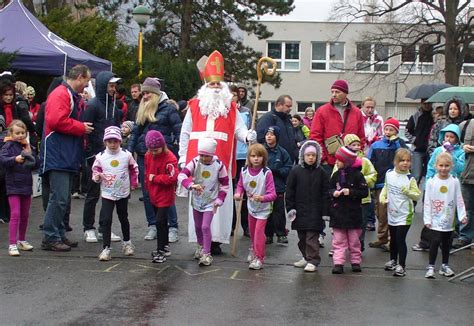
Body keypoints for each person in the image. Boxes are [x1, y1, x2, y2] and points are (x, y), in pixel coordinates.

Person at [178, 50, 256, 254]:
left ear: (223, 87)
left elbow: (239, 129)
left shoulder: (231, 107)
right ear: (205, 86)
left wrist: (248, 135)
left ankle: (216, 241)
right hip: (196, 163)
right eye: (211, 84)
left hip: (221, 161)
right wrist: (181, 158)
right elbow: (185, 133)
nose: (214, 87)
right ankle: (200, 241)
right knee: (198, 199)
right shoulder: (194, 106)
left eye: (217, 84)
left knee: (219, 201)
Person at [40, 64, 94, 251]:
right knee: (59, 197)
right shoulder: (61, 94)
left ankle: (59, 234)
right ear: (79, 77)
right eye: (86, 81)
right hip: (59, 154)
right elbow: (56, 121)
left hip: (65, 154)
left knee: (63, 198)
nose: (86, 86)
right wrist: (81, 127)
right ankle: (50, 236)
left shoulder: (68, 94)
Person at [128, 77, 182, 241]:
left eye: (147, 93)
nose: (144, 96)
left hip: (163, 157)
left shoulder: (169, 109)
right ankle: (153, 225)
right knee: (147, 192)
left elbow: (179, 130)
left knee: (165, 192)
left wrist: (179, 154)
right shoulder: (142, 108)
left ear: (155, 93)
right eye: (143, 93)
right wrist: (129, 152)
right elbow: (136, 131)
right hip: (145, 156)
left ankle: (172, 227)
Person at [82, 72, 124, 243]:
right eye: (110, 86)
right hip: (95, 155)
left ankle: (103, 228)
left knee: (109, 193)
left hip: (111, 155)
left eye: (114, 86)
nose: (113, 89)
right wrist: (90, 154)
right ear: (102, 86)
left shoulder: (115, 105)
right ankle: (88, 228)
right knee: (92, 193)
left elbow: (115, 128)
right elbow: (86, 131)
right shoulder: (92, 106)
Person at [412, 124, 465, 252]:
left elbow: (460, 168)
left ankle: (446, 243)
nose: (448, 139)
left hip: (450, 187)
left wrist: (451, 154)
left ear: (457, 139)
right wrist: (429, 180)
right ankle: (425, 242)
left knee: (449, 213)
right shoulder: (437, 150)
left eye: (452, 137)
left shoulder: (460, 152)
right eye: (446, 136)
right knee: (433, 210)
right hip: (436, 185)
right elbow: (431, 166)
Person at [179, 138, 229, 266]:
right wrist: (191, 185)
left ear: (212, 154)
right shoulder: (195, 162)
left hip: (211, 201)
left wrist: (220, 199)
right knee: (197, 226)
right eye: (201, 155)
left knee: (205, 226)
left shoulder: (219, 165)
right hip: (197, 200)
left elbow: (224, 185)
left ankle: (207, 253)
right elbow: (182, 176)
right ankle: (200, 246)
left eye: (206, 156)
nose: (203, 158)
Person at [91, 126, 138, 261]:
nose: (112, 144)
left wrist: (134, 182)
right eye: (109, 141)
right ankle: (106, 248)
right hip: (107, 193)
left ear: (120, 141)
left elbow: (134, 168)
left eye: (115, 141)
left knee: (123, 217)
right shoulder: (100, 157)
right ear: (105, 142)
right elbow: (95, 171)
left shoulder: (126, 154)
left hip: (123, 191)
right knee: (106, 220)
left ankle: (127, 243)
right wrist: (97, 177)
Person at [286, 140, 329, 272]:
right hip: (300, 211)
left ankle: (313, 259)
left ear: (317, 157)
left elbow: (325, 193)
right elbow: (290, 191)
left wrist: (325, 211)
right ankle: (306, 256)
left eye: (313, 155)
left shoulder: (321, 172)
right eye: (308, 155)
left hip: (315, 212)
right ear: (302, 156)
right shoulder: (296, 171)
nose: (310, 158)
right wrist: (290, 208)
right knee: (302, 238)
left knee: (312, 238)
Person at [424, 152, 468, 279]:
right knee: (435, 241)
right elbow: (427, 201)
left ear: (451, 166)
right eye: (441, 165)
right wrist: (427, 218)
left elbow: (459, 199)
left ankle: (445, 265)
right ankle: (431, 266)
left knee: (446, 242)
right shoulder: (431, 182)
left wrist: (462, 216)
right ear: (436, 165)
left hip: (448, 219)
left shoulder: (454, 182)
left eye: (447, 166)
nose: (444, 168)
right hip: (435, 219)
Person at [368, 118, 408, 251]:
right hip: (379, 183)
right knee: (380, 212)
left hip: (394, 183)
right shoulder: (376, 145)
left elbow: (404, 155)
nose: (388, 132)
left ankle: (392, 240)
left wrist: (396, 142)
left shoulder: (399, 145)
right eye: (386, 129)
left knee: (392, 211)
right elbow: (369, 162)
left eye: (391, 130)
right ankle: (382, 237)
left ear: (396, 132)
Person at [234, 143, 277, 270]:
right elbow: (241, 185)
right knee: (252, 232)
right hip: (251, 206)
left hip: (264, 208)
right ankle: (253, 248)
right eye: (253, 156)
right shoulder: (244, 171)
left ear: (264, 158)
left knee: (259, 232)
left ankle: (259, 258)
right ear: (249, 157)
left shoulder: (266, 173)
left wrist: (263, 198)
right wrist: (238, 193)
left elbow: (273, 194)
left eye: (259, 156)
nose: (256, 159)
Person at [310, 80, 365, 175]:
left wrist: (358, 156)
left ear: (345, 93)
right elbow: (315, 136)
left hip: (351, 164)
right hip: (329, 164)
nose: (334, 94)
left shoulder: (356, 112)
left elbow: (361, 137)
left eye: (337, 92)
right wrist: (324, 158)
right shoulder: (322, 111)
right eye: (332, 92)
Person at [381, 148, 421, 277]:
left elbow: (417, 195)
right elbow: (386, 187)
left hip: (405, 214)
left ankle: (402, 266)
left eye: (408, 161)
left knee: (400, 239)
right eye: (402, 160)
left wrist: (408, 192)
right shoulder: (389, 174)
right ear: (395, 162)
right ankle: (393, 260)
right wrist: (382, 197)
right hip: (392, 212)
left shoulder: (410, 179)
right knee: (393, 239)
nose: (405, 163)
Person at [329, 146, 368, 274]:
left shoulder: (358, 175)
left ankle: (355, 261)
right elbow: (329, 189)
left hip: (353, 213)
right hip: (338, 213)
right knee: (338, 240)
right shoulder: (335, 175)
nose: (336, 162)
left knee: (354, 240)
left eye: (339, 160)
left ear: (346, 161)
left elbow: (364, 192)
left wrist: (350, 192)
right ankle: (338, 262)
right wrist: (333, 192)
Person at [0, 120, 37, 256]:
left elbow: (36, 163)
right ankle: (12, 243)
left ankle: (22, 239)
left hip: (26, 184)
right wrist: (14, 159)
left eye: (23, 133)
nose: (20, 135)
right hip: (13, 185)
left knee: (25, 214)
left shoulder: (27, 146)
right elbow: (3, 160)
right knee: (15, 214)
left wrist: (31, 155)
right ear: (11, 133)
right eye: (17, 133)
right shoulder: (7, 146)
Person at [336, 134, 377, 251]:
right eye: (353, 145)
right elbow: (335, 177)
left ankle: (359, 245)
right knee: (344, 223)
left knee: (361, 224)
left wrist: (361, 181)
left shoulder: (365, 161)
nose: (356, 147)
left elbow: (373, 176)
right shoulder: (340, 161)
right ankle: (342, 245)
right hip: (345, 199)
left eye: (358, 144)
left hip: (363, 200)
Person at [144, 130, 179, 263]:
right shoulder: (148, 156)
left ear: (162, 146)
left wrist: (156, 178)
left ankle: (160, 250)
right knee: (162, 222)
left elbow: (172, 178)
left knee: (159, 222)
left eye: (156, 150)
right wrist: (148, 185)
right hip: (154, 193)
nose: (153, 152)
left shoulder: (170, 158)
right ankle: (164, 246)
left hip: (165, 195)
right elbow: (147, 172)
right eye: (151, 150)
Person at [263, 126, 292, 244]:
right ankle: (268, 234)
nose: (269, 136)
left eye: (272, 134)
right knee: (266, 212)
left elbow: (288, 167)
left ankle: (281, 233)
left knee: (278, 211)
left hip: (278, 186)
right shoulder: (261, 150)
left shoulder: (282, 152)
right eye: (267, 134)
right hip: (264, 188)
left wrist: (278, 171)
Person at [230, 85, 251, 237]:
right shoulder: (223, 112)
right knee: (229, 192)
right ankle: (230, 224)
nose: (232, 97)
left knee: (243, 191)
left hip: (242, 155)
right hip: (228, 156)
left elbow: (246, 130)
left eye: (235, 95)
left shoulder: (245, 112)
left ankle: (246, 225)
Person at [256, 94, 297, 162]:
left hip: (288, 161)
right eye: (287, 106)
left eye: (290, 106)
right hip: (274, 161)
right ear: (279, 104)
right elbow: (261, 138)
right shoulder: (267, 118)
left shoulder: (288, 120)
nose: (290, 109)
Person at [454, 116, 474, 248]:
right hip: (466, 174)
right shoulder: (465, 125)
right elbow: (452, 144)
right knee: (465, 208)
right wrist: (463, 146)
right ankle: (465, 236)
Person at [405, 98, 434, 183]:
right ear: (421, 103)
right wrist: (415, 140)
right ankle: (413, 193)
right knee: (416, 175)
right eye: (425, 103)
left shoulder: (434, 116)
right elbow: (407, 131)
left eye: (429, 103)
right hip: (417, 150)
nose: (427, 105)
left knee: (428, 176)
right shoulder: (415, 116)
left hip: (430, 150)